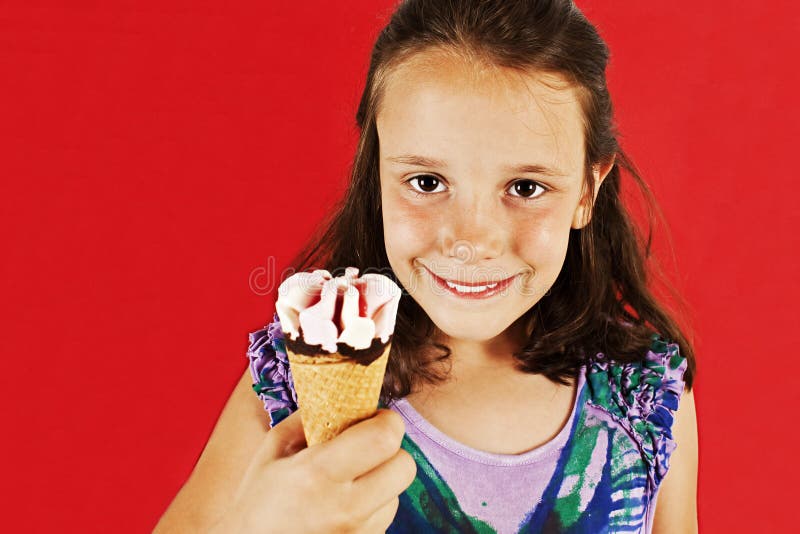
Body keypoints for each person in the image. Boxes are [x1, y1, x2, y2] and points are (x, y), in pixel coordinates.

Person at [155, 0, 699, 532]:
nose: (470, 240)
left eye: (526, 187)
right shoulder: (290, 385)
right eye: (427, 183)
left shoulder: (645, 399)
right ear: (377, 172)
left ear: (587, 188)